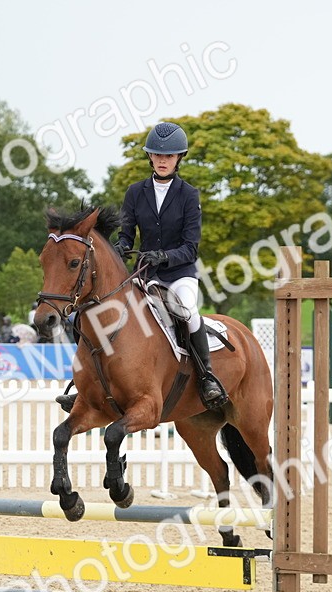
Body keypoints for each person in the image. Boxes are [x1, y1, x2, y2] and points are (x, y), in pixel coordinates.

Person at [58, 121, 225, 413]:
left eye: (169, 156)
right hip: (144, 274)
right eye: (158, 155)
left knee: (188, 311)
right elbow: (127, 234)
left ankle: (207, 377)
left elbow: (191, 247)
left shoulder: (188, 195)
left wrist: (165, 256)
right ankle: (87, 384)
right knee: (91, 315)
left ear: (179, 158)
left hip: (178, 275)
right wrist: (121, 247)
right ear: (150, 156)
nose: (163, 160)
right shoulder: (136, 192)